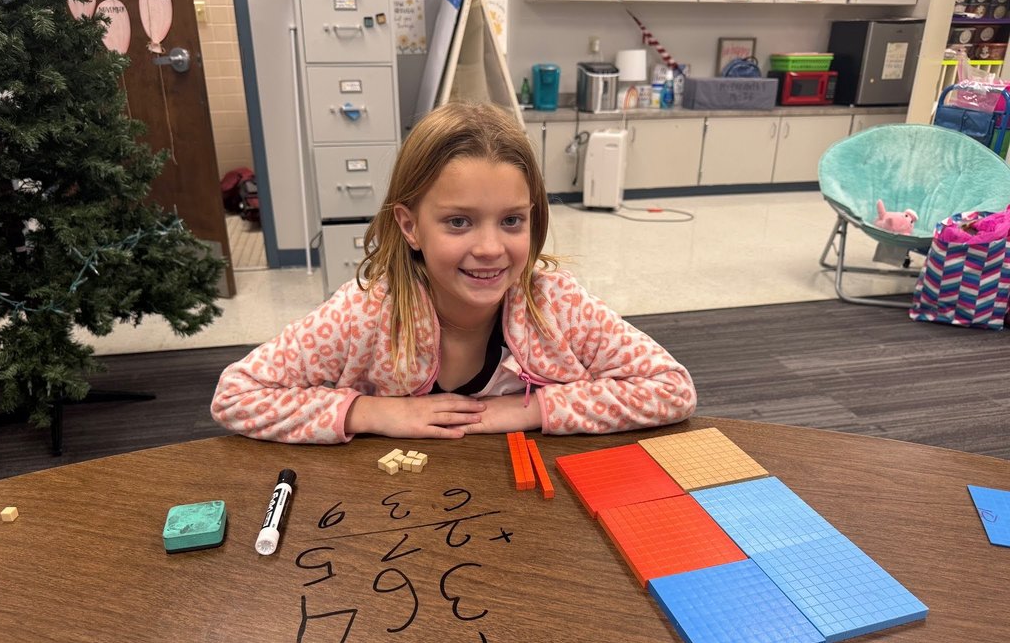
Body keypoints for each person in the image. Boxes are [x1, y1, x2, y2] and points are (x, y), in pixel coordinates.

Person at [210, 103, 696, 444]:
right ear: (410, 226)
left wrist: (530, 410)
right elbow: (237, 396)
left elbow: (672, 389)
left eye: (511, 221)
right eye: (458, 222)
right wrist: (373, 411)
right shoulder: (365, 314)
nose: (489, 249)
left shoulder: (555, 306)